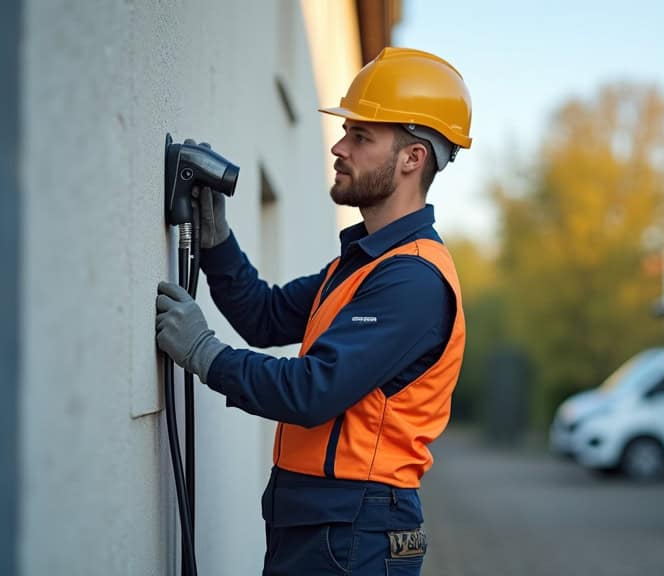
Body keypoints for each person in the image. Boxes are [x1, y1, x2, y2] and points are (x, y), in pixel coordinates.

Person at [154, 47, 471, 575]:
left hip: (355, 530)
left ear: (413, 158)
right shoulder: (362, 264)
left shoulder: (412, 278)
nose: (339, 147)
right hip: (322, 522)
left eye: (361, 136)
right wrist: (217, 242)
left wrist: (203, 353)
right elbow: (265, 315)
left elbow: (313, 391)